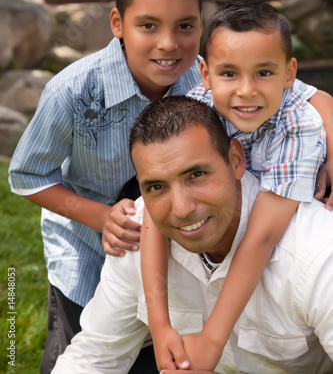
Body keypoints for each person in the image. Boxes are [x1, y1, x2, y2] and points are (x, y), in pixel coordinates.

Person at [8, 0, 204, 374]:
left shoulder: (206, 79)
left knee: (157, 356)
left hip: (170, 262)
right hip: (86, 258)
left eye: (185, 26)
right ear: (118, 24)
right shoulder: (72, 91)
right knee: (84, 356)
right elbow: (25, 174)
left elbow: (286, 89)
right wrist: (99, 217)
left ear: (201, 24)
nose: (169, 44)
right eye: (148, 26)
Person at [51, 95, 333, 374]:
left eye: (196, 175)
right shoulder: (136, 230)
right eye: (157, 187)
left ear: (236, 160)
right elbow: (94, 357)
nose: (182, 209)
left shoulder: (316, 252)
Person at [140, 0, 333, 371]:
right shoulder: (197, 107)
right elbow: (152, 220)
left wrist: (212, 341)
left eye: (263, 73)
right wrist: (160, 324)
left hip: (289, 246)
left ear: (289, 73)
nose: (246, 91)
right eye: (229, 74)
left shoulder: (298, 126)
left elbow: (262, 237)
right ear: (205, 74)